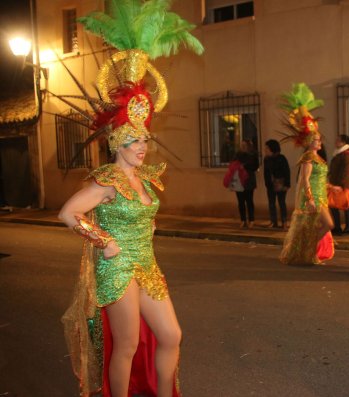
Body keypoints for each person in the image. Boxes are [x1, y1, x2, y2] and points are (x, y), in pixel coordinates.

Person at [58, 2, 204, 395]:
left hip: (146, 262)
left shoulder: (143, 178)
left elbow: (145, 216)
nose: (143, 146)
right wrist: (103, 240)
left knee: (172, 335)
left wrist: (146, 222)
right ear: (117, 142)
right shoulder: (106, 180)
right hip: (118, 266)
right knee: (127, 344)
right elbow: (68, 213)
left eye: (144, 139)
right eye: (134, 140)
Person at [279, 83, 334, 265]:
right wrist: (310, 198)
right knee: (327, 225)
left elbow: (319, 178)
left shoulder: (318, 157)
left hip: (322, 197)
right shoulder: (309, 157)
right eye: (317, 139)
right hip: (313, 199)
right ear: (310, 141)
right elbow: (304, 179)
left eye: (319, 139)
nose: (319, 141)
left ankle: (308, 252)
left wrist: (329, 186)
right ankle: (308, 251)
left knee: (318, 227)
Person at [328, 134, 349, 236]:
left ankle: (348, 228)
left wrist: (341, 185)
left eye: (338, 140)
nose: (336, 142)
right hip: (335, 184)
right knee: (333, 205)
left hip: (344, 185)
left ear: (343, 142)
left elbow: (347, 171)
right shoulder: (338, 153)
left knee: (346, 205)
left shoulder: (347, 154)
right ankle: (337, 227)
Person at [263, 139, 290, 229]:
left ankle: (284, 221)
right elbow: (265, 173)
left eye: (267, 148)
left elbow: (286, 171)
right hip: (270, 185)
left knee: (281, 202)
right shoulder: (266, 159)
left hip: (280, 184)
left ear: (272, 148)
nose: (265, 150)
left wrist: (287, 184)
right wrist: (267, 184)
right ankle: (273, 222)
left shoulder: (281, 158)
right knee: (271, 203)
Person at [234, 139, 259, 229]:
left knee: (249, 201)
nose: (242, 147)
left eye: (244, 145)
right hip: (239, 181)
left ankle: (251, 220)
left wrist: (245, 166)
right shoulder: (238, 155)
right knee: (240, 202)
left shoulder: (252, 155)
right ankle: (243, 220)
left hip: (248, 181)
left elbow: (255, 166)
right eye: (241, 145)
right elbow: (233, 165)